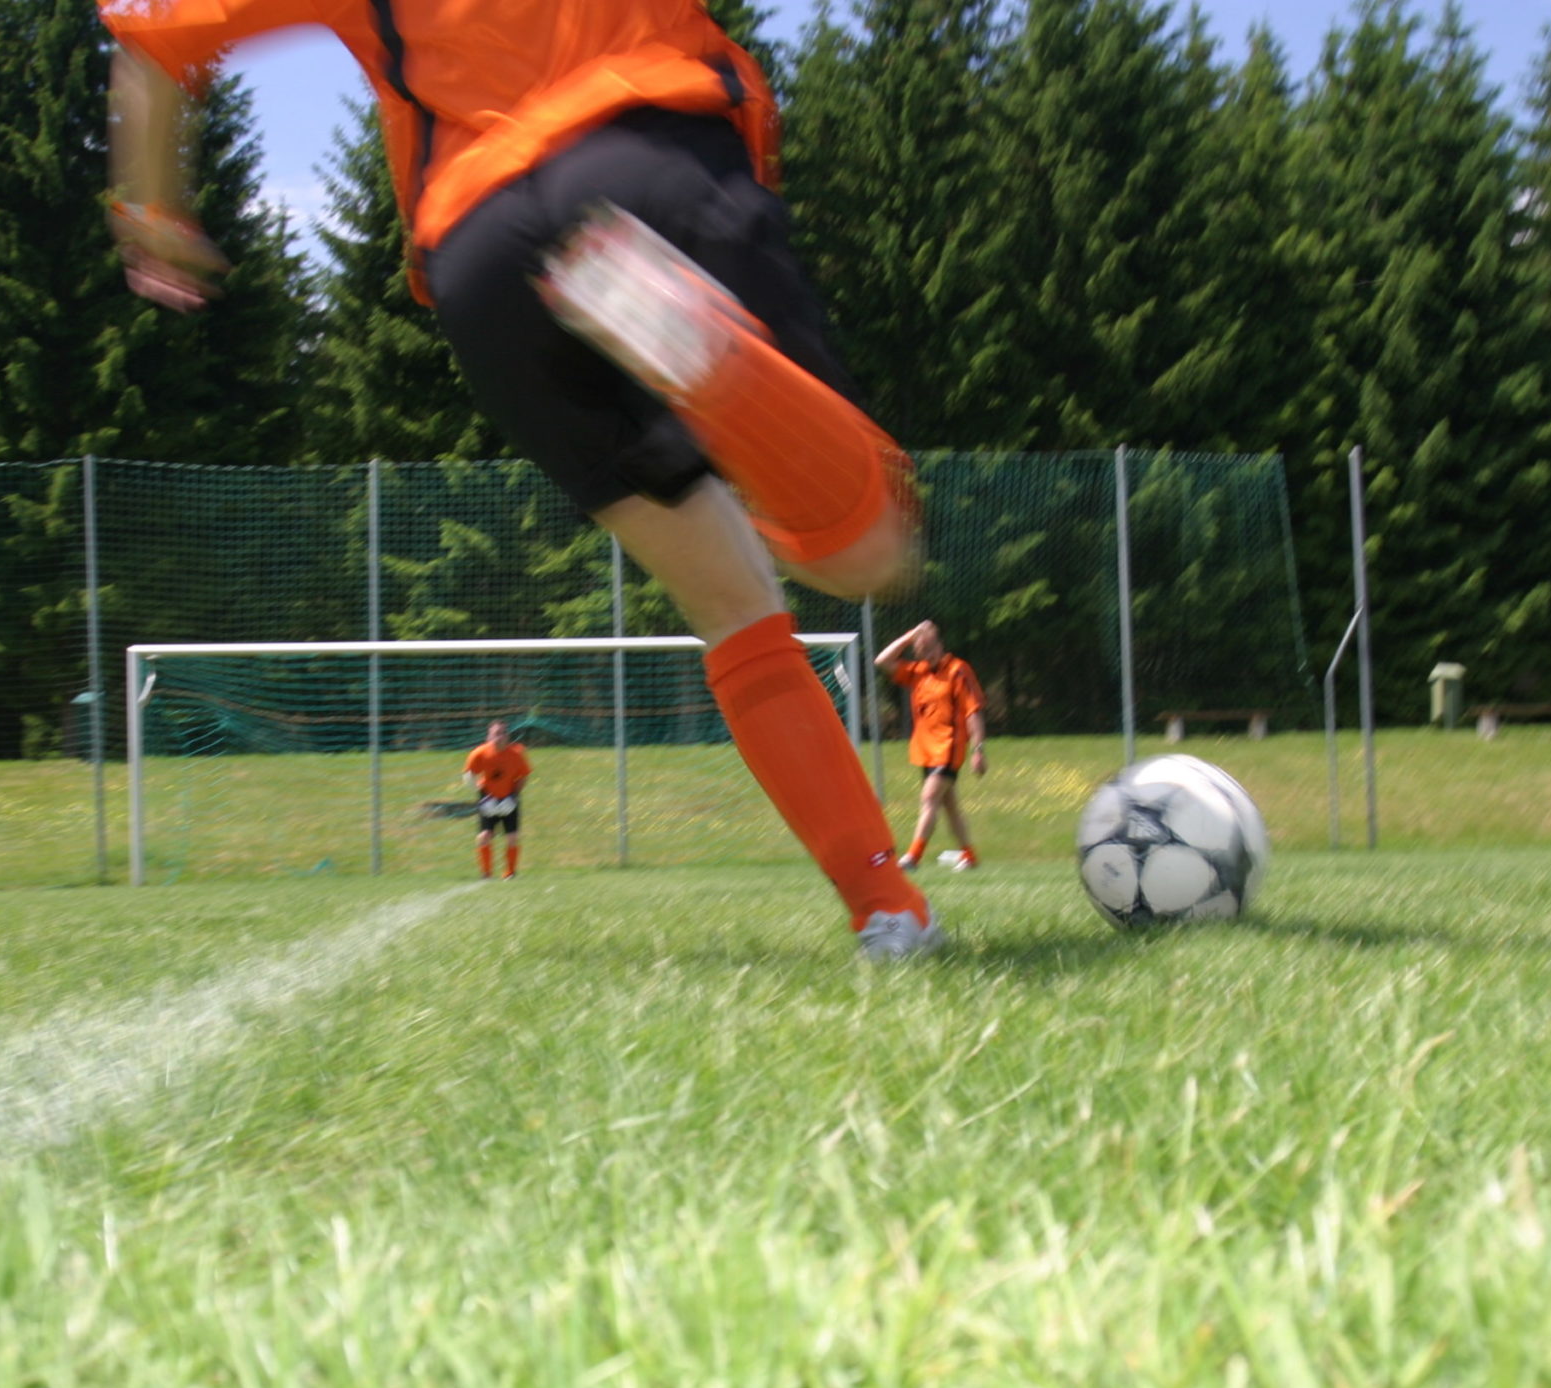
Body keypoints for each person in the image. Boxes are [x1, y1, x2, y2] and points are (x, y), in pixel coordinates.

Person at [98, 0, 939, 958]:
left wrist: (152, 213)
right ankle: (698, 348)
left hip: (485, 260)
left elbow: (151, 43)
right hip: (645, 159)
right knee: (866, 551)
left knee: (732, 599)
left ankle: (886, 907)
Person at [873, 619, 985, 871]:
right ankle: (969, 856)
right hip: (926, 750)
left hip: (949, 748)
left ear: (940, 645)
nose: (929, 655)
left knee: (929, 797)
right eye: (923, 651)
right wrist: (910, 635)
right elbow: (882, 661)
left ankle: (913, 857)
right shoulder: (918, 672)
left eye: (931, 648)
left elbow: (973, 711)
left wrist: (978, 749)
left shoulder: (958, 670)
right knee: (949, 806)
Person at [462, 720, 532, 879]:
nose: (500, 737)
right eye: (496, 733)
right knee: (484, 836)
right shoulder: (480, 753)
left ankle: (510, 873)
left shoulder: (516, 754)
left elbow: (524, 776)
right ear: (489, 736)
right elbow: (468, 774)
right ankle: (486, 874)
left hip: (509, 799)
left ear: (508, 736)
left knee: (512, 837)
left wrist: (514, 795)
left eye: (503, 733)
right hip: (489, 799)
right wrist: (481, 793)